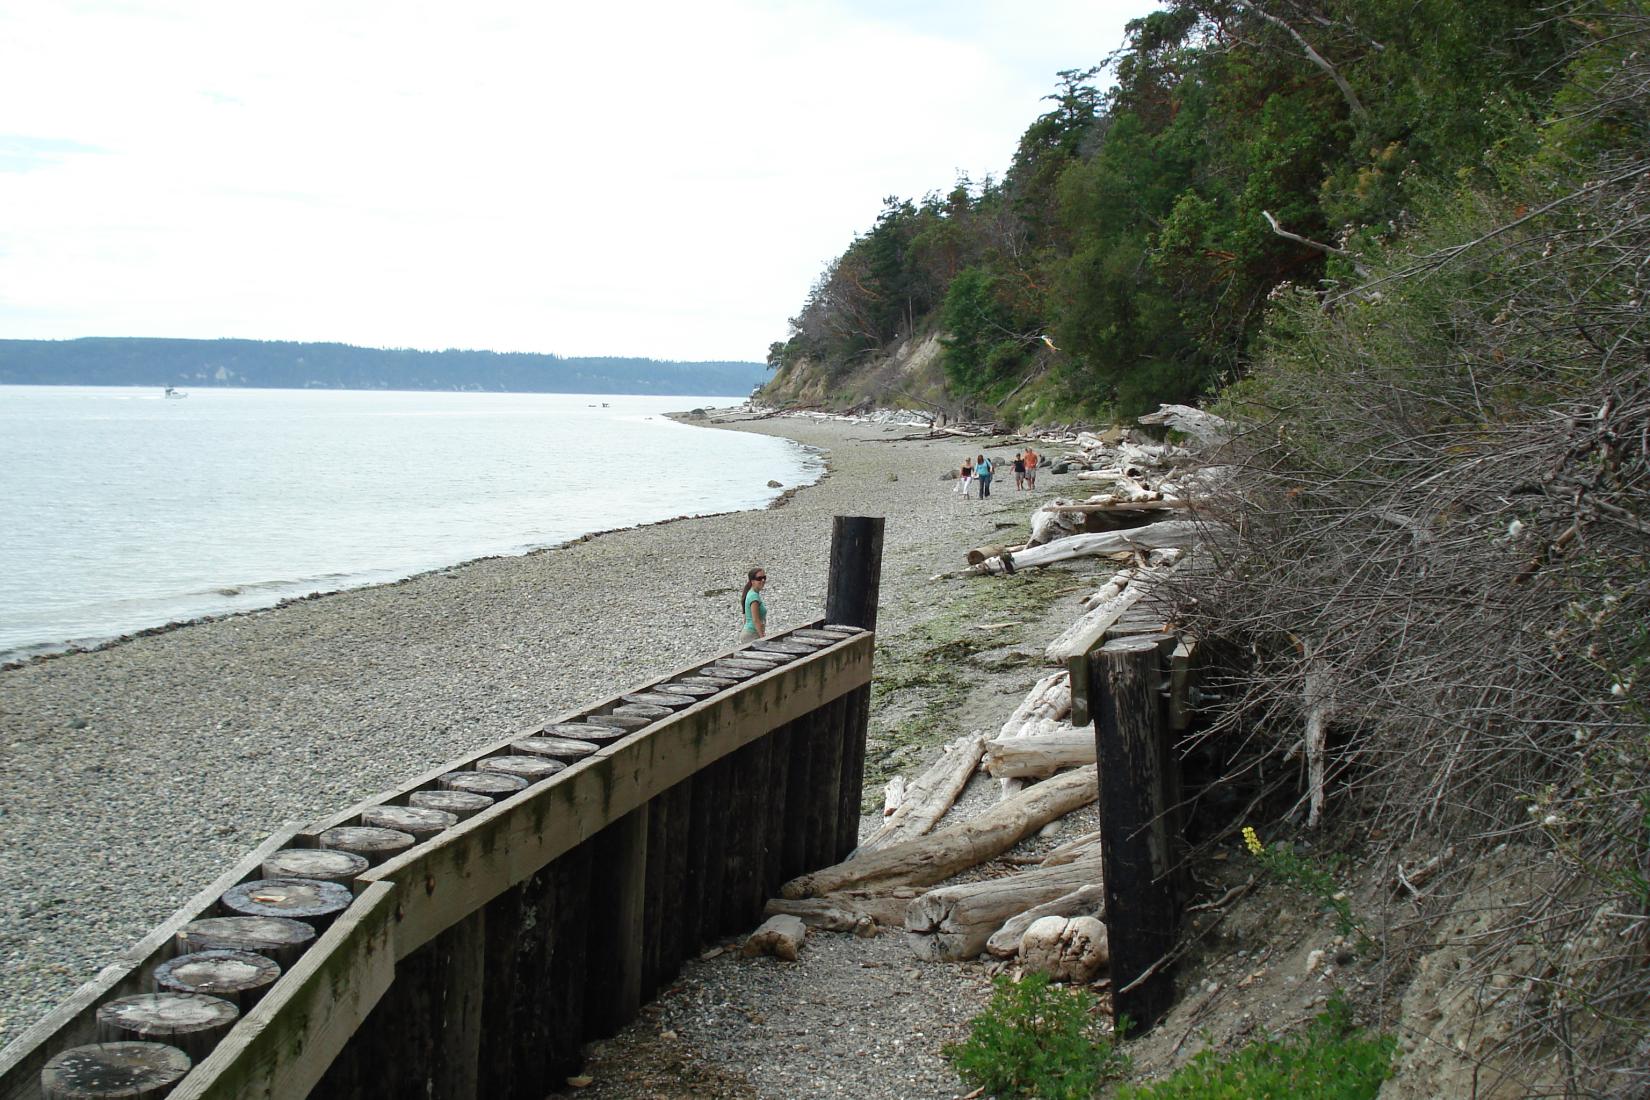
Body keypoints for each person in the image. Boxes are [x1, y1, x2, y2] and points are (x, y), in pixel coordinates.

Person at [740, 567, 768, 641]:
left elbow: (746, 618)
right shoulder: (754, 596)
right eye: (759, 578)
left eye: (764, 577)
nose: (763, 580)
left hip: (749, 633)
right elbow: (756, 619)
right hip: (752, 634)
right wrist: (762, 637)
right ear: (752, 581)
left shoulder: (751, 593)